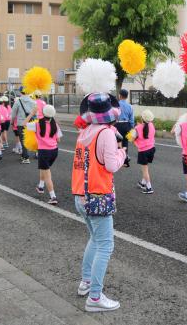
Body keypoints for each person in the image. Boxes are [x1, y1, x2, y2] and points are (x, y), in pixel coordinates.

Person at [71, 93, 126, 312]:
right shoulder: (106, 134)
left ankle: (86, 282)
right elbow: (111, 166)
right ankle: (95, 298)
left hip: (80, 195)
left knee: (94, 239)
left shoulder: (85, 132)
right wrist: (122, 155)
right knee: (106, 245)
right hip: (97, 197)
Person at [26, 104, 62, 205]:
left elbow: (24, 124)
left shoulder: (37, 124)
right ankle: (41, 186)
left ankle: (53, 196)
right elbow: (58, 139)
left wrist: (32, 113)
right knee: (44, 169)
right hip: (54, 151)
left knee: (47, 175)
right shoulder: (55, 125)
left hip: (44, 151)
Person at [131, 109, 156, 194]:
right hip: (152, 149)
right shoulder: (152, 125)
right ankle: (143, 183)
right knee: (146, 167)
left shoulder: (137, 128)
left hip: (143, 151)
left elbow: (130, 138)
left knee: (145, 170)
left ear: (142, 118)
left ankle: (149, 187)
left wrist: (136, 128)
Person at [11, 88, 36, 164]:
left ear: (20, 92)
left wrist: (12, 122)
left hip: (21, 123)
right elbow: (36, 113)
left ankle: (26, 157)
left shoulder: (18, 101)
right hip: (31, 123)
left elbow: (13, 114)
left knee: (23, 140)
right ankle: (24, 155)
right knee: (29, 139)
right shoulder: (33, 101)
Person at [115, 89, 135, 167]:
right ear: (127, 97)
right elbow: (132, 119)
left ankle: (117, 159)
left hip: (117, 125)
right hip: (127, 125)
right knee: (125, 142)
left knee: (117, 142)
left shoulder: (116, 105)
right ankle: (125, 159)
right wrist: (131, 128)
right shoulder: (130, 106)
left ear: (120, 96)